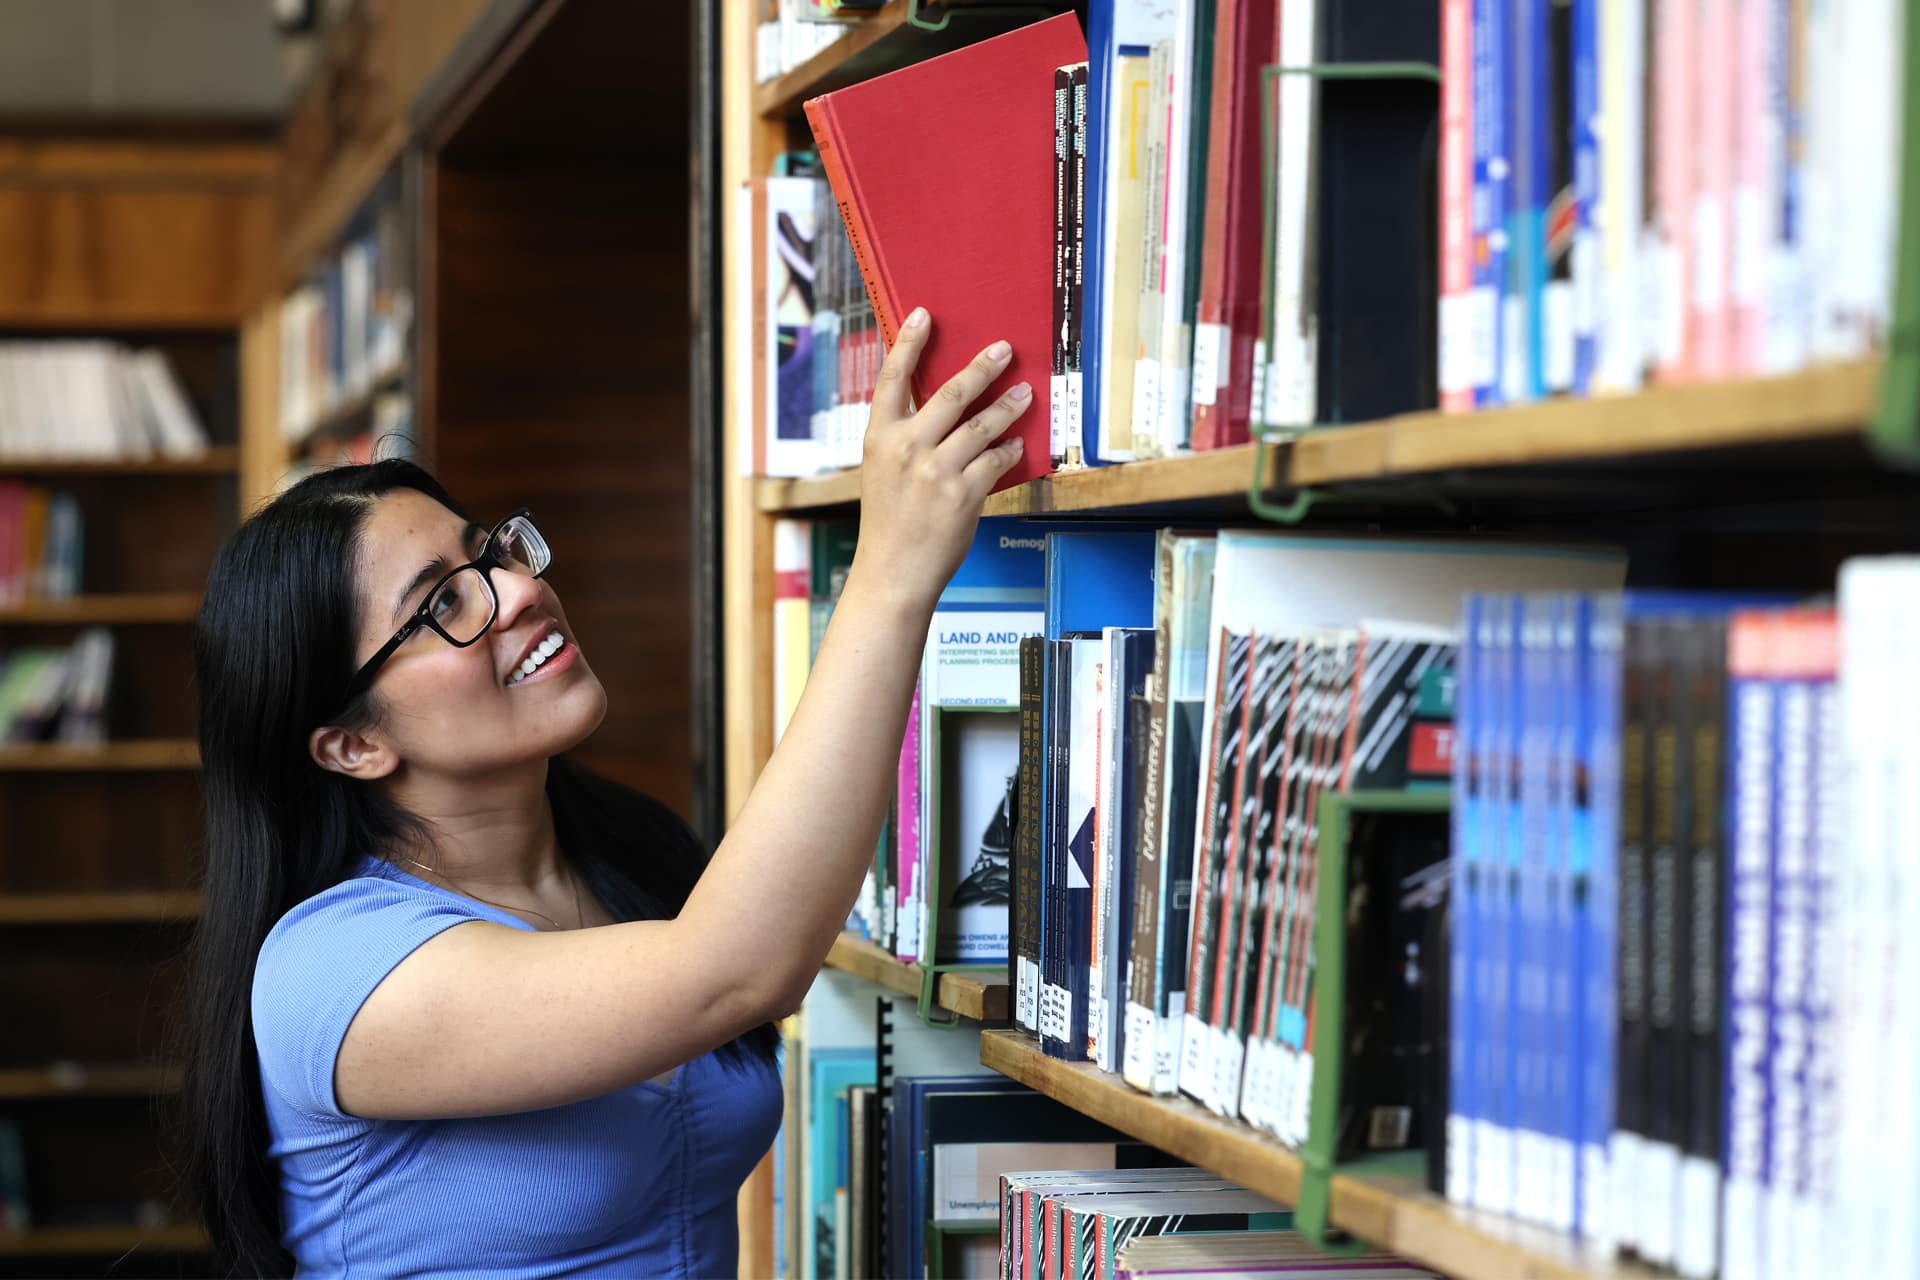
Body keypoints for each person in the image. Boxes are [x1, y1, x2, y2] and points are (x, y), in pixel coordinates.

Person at [180, 308, 1031, 1277]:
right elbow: (738, 970)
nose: (517, 591)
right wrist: (888, 570)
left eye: (491, 552)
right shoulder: (327, 970)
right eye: (440, 605)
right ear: (351, 743)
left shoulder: (630, 858)